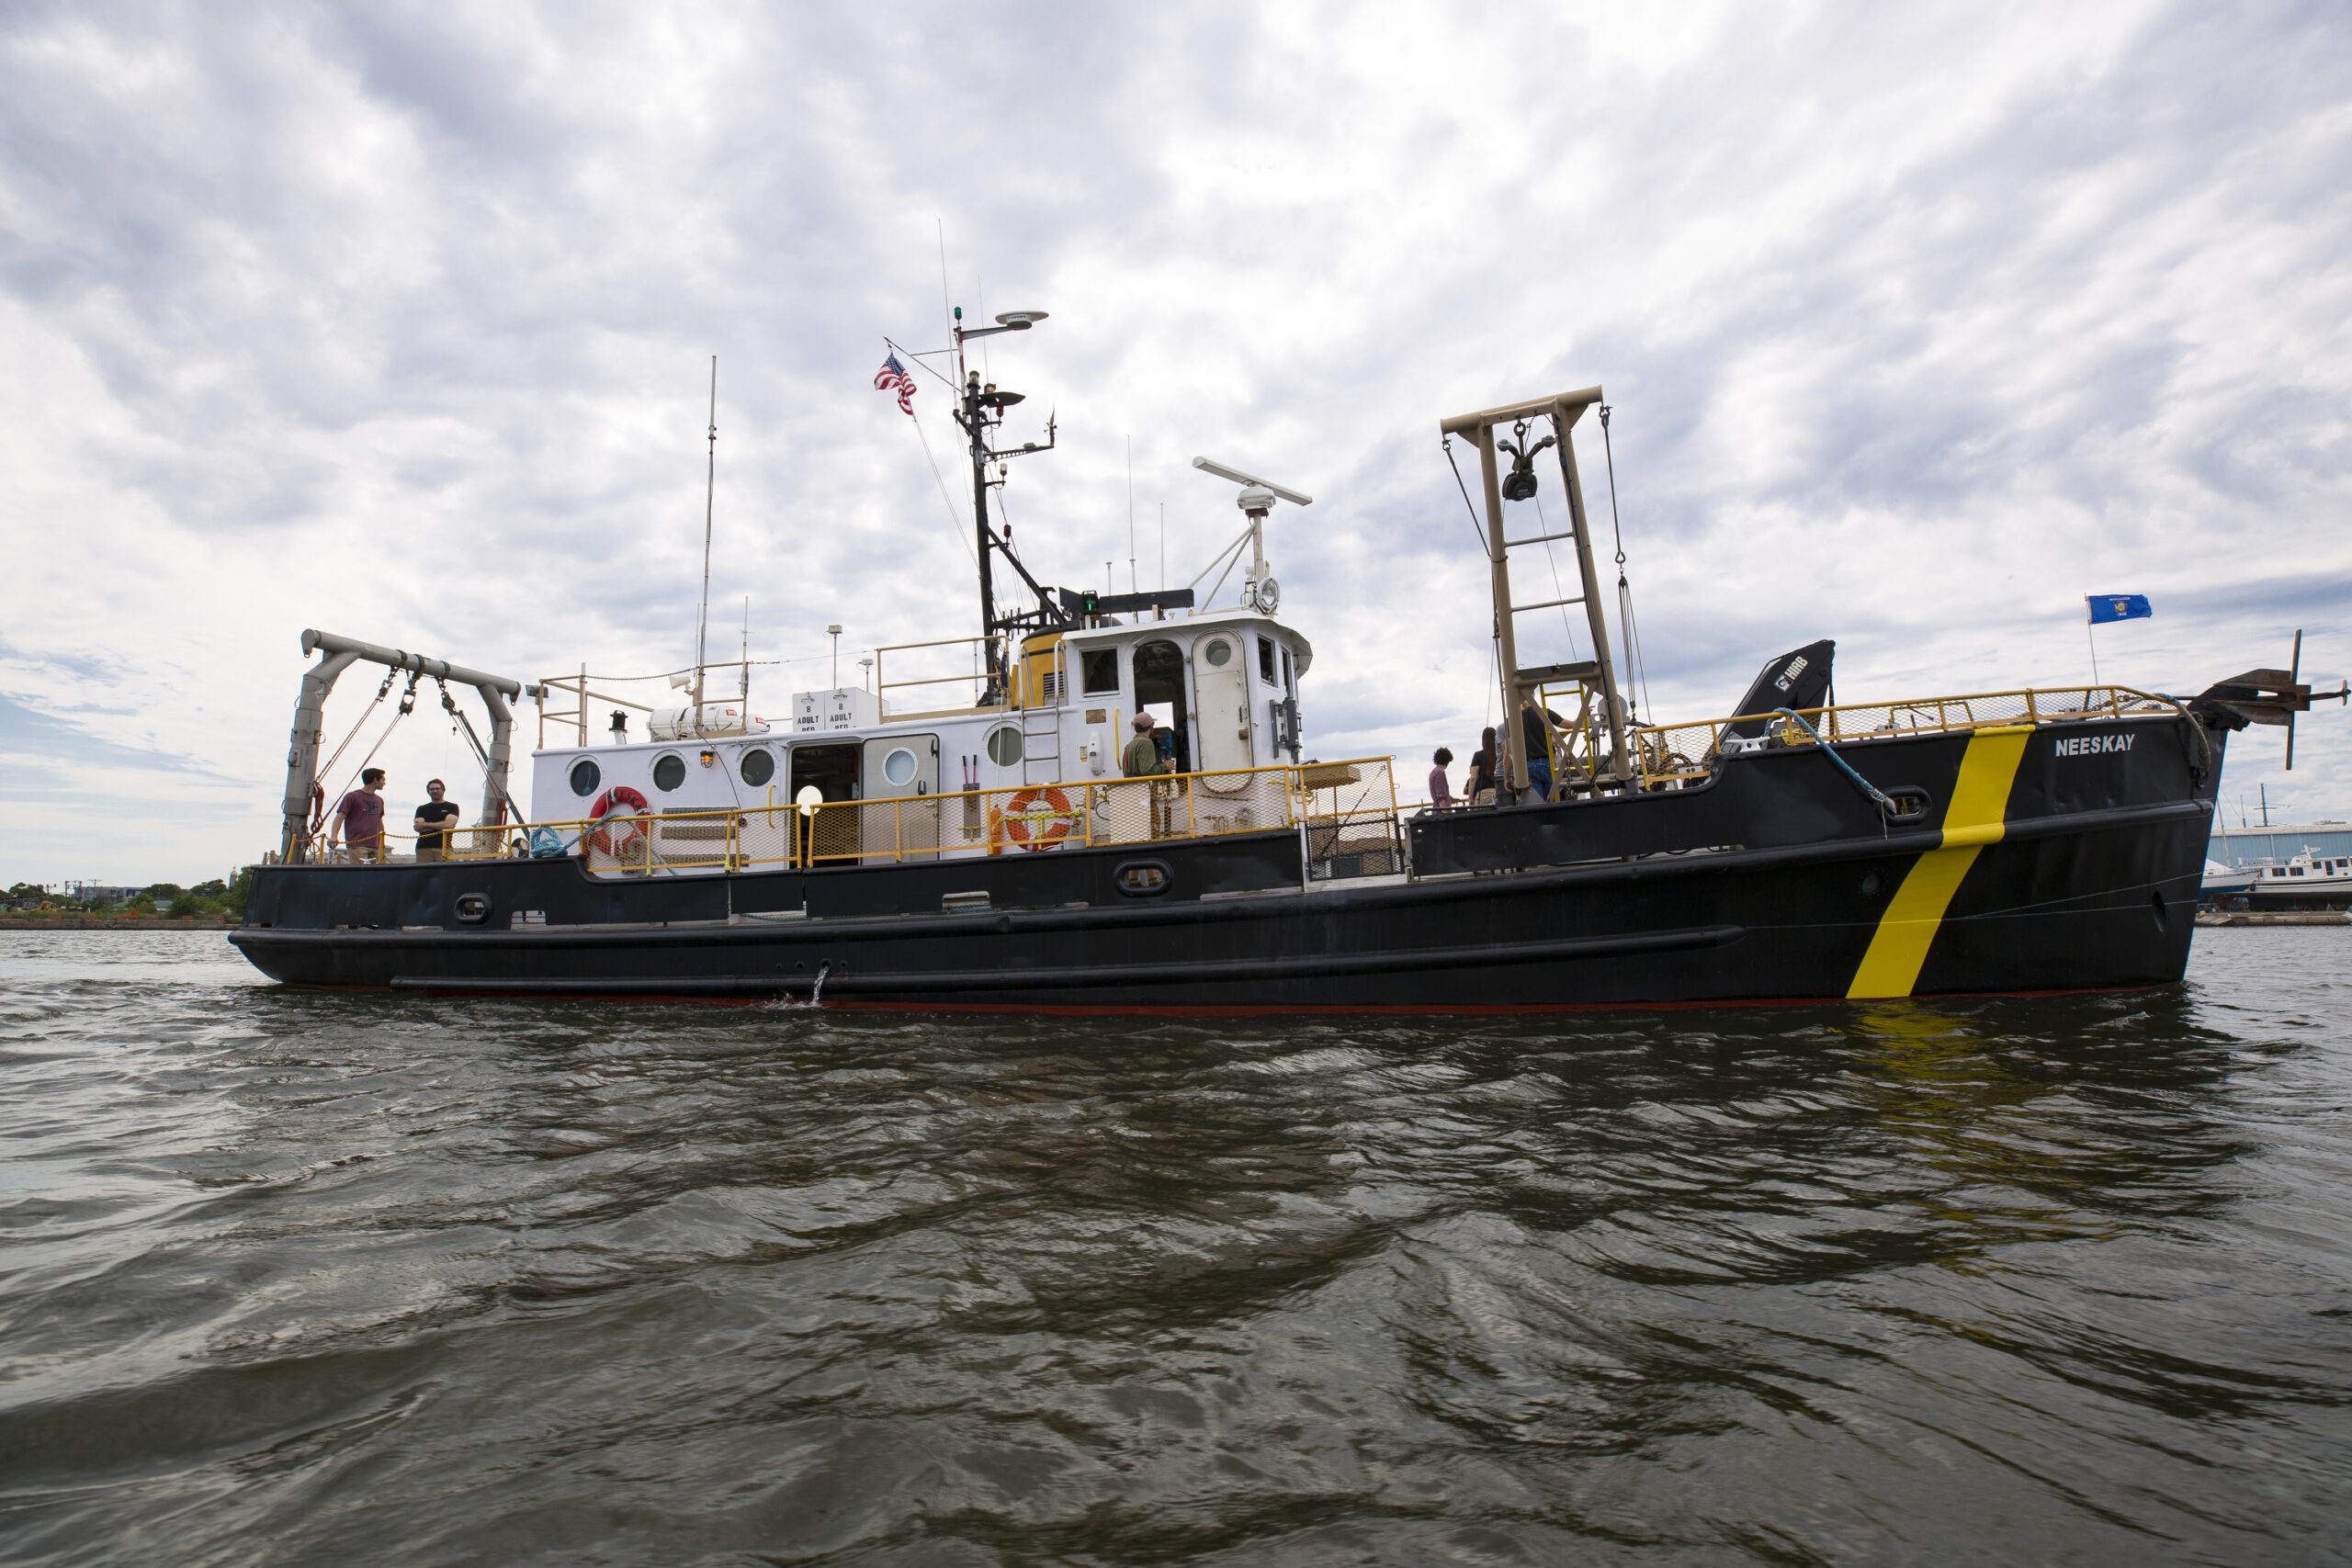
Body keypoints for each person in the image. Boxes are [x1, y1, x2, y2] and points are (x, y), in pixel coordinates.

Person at [331, 768, 389, 862]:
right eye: (383, 780)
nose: (384, 783)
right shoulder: (352, 797)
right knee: (360, 873)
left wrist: (382, 843)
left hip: (376, 846)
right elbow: (340, 816)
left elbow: (379, 821)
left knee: (378, 874)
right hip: (357, 845)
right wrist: (334, 836)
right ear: (375, 780)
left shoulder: (379, 800)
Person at [414, 778, 461, 863]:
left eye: (437, 789)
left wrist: (425, 824)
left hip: (444, 848)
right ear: (428, 791)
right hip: (423, 849)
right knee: (424, 875)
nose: (435, 791)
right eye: (432, 789)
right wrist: (441, 826)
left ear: (443, 790)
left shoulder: (452, 807)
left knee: (446, 874)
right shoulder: (421, 809)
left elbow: (449, 825)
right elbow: (418, 828)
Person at [1429, 747, 1456, 811]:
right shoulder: (1440, 772)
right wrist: (1445, 814)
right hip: (1441, 813)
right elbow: (1440, 796)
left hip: (1436, 809)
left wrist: (1450, 798)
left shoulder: (1434, 772)